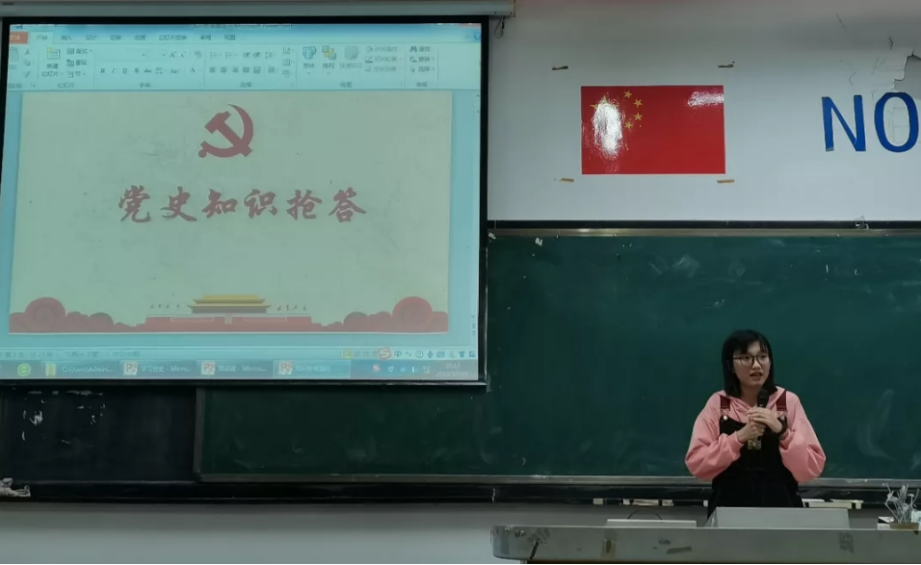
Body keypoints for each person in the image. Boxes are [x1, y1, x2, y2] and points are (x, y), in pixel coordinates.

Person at [685, 329, 826, 516]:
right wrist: (738, 438)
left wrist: (783, 432)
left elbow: (812, 468)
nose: (757, 365)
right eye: (746, 358)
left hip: (784, 513)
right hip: (728, 514)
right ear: (730, 365)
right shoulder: (718, 404)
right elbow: (697, 464)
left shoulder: (787, 402)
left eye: (762, 357)